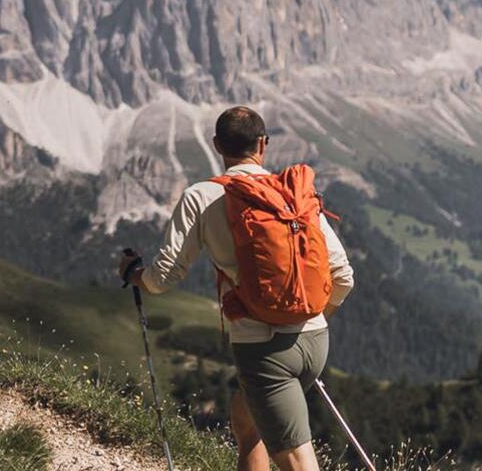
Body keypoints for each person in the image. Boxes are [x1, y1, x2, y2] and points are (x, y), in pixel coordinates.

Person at [123, 105, 355, 471]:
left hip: (263, 350)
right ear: (263, 144)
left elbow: (162, 277)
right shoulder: (292, 194)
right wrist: (311, 316)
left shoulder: (201, 196)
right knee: (247, 421)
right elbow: (343, 275)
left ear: (217, 145)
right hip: (315, 341)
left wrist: (135, 274)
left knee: (299, 462)